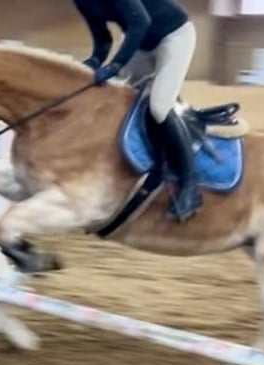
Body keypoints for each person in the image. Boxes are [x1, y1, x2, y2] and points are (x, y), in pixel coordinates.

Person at [74, 0, 201, 221]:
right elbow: (103, 38)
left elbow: (141, 21)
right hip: (141, 43)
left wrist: (115, 65)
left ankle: (190, 185)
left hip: (174, 36)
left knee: (159, 108)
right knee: (110, 99)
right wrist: (95, 60)